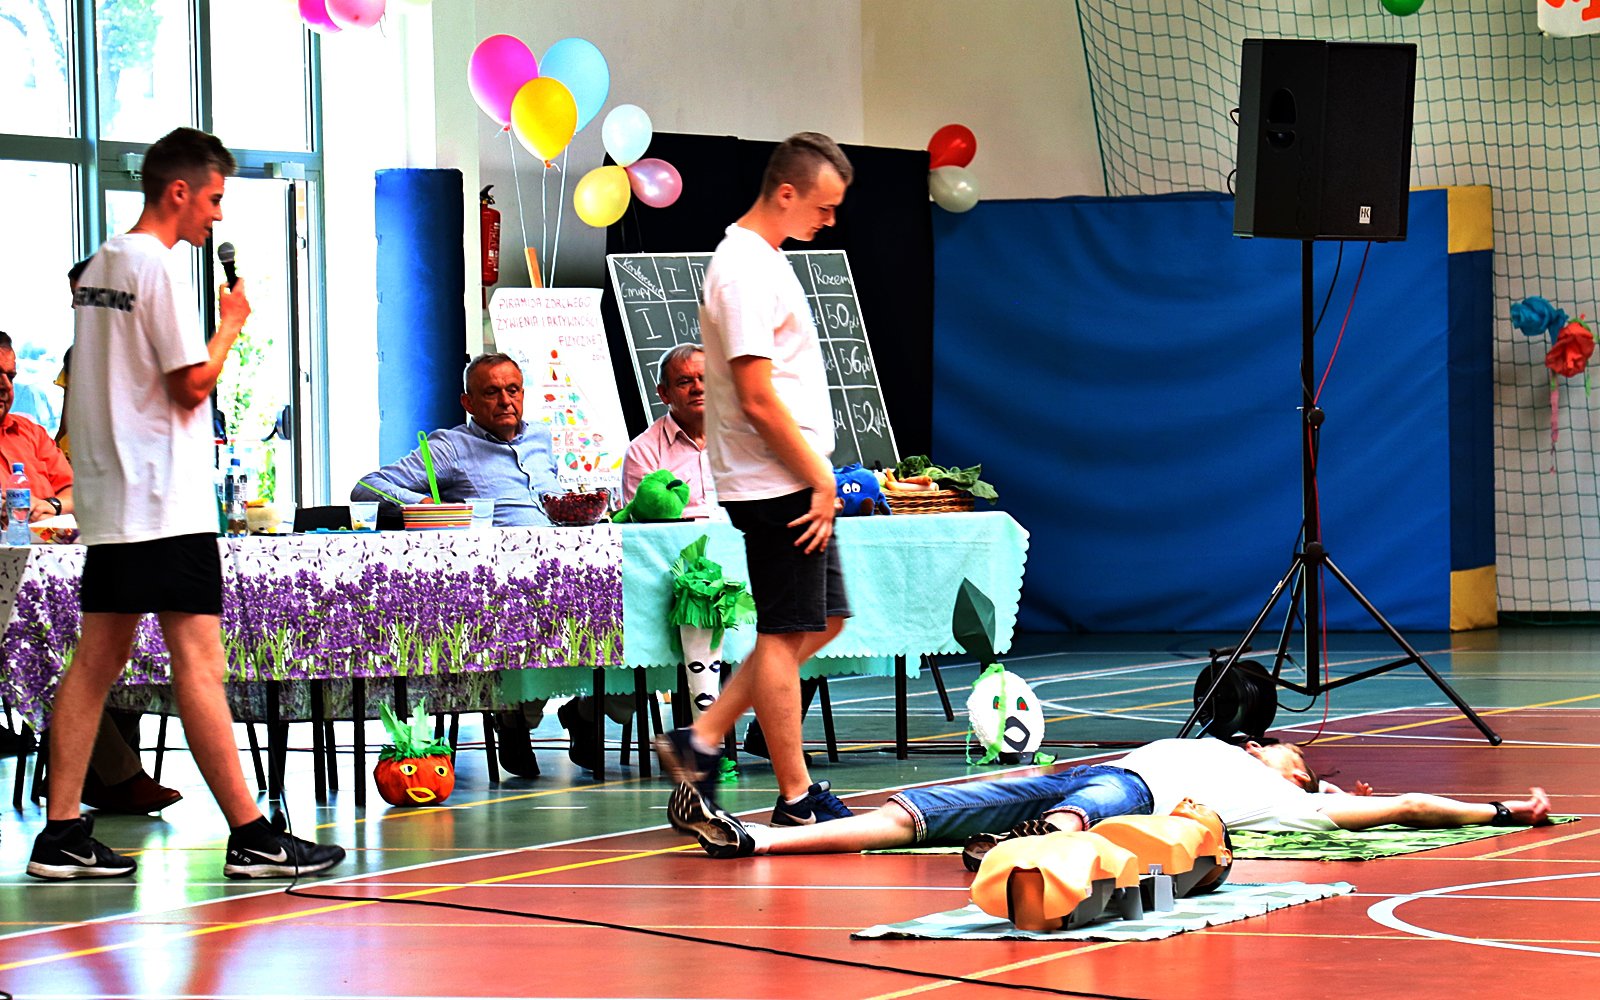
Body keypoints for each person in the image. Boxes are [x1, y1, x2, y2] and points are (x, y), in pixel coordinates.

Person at [28, 127, 345, 881]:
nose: (217, 214)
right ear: (179, 191)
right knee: (200, 663)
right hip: (164, 501)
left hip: (114, 502)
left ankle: (61, 832)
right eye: (213, 198)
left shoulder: (102, 265)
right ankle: (253, 836)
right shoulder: (158, 267)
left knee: (95, 662)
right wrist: (231, 324)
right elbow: (190, 384)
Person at [655, 132, 855, 831]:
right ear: (787, 192)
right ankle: (796, 797)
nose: (829, 220)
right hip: (775, 482)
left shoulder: (765, 259)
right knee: (783, 630)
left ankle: (702, 737)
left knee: (822, 620)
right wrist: (819, 478)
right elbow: (757, 396)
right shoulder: (741, 268)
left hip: (789, 475)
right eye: (823, 207)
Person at [672, 737, 1554, 859]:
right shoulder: (1227, 744)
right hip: (1079, 773)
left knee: (1086, 806)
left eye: (1289, 751)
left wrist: (1502, 812)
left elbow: (1406, 808)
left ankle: (1031, 841)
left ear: (1298, 774)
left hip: (1126, 792)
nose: (1272, 744)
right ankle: (751, 839)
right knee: (908, 818)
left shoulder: (1298, 803)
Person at [351, 352, 572, 777]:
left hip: (564, 565)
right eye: (492, 392)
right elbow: (368, 487)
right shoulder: (451, 447)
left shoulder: (541, 437)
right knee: (533, 614)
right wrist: (424, 504)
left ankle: (580, 715)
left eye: (513, 390)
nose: (506, 401)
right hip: (500, 580)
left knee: (616, 610)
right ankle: (514, 716)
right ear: (468, 402)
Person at [1, 329, 181, 814]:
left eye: (11, 375)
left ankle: (101, 775)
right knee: (60, 650)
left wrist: (54, 504)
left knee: (126, 628)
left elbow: (78, 490)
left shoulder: (30, 433)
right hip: (9, 596)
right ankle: (116, 777)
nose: (4, 385)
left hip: (59, 576)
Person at [621, 344, 718, 519]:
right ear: (664, 394)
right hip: (679, 537)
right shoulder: (643, 452)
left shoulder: (741, 439)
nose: (698, 388)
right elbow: (643, 525)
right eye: (685, 382)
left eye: (705, 379)